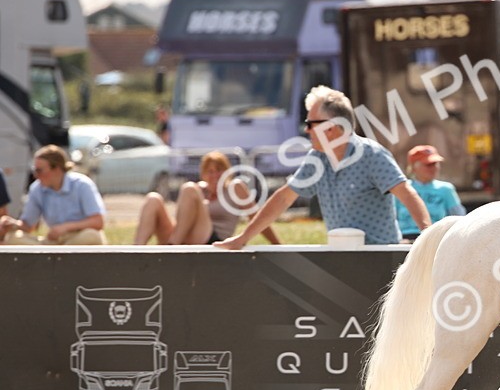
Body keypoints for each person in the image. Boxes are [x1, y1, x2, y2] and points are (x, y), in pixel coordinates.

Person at [215, 86, 431, 249]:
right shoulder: (317, 159)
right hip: (338, 257)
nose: (306, 130)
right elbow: (283, 198)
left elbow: (407, 193)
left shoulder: (372, 155)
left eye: (311, 124)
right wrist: (242, 239)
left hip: (377, 258)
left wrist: (427, 238)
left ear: (333, 129)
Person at [134, 151, 280, 246]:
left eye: (219, 170)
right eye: (210, 171)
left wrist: (278, 246)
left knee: (190, 189)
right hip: (185, 237)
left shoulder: (235, 188)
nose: (215, 175)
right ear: (203, 174)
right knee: (153, 199)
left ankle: (173, 248)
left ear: (227, 172)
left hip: (214, 239)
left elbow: (258, 218)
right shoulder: (199, 189)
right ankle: (134, 253)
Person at [1, 145, 106, 245]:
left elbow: (97, 222)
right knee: (12, 238)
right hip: (53, 242)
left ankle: (54, 256)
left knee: (92, 235)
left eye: (39, 170)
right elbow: (28, 226)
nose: (35, 175)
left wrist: (66, 227)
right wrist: (13, 224)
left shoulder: (82, 185)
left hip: (78, 238)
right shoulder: (37, 189)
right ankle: (54, 255)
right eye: (34, 170)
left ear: (56, 169)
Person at [396, 145, 465, 241]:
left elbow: (460, 219)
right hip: (404, 239)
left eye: (435, 164)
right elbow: (392, 218)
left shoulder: (446, 189)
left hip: (435, 239)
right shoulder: (402, 188)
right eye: (428, 165)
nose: (434, 168)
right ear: (413, 167)